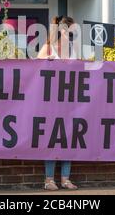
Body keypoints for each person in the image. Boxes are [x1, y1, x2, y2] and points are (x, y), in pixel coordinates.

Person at [37, 16, 80, 191]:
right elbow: (35, 72)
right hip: (49, 103)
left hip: (69, 102)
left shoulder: (73, 49)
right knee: (52, 140)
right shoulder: (47, 48)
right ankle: (49, 180)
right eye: (66, 29)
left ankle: (65, 179)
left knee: (68, 139)